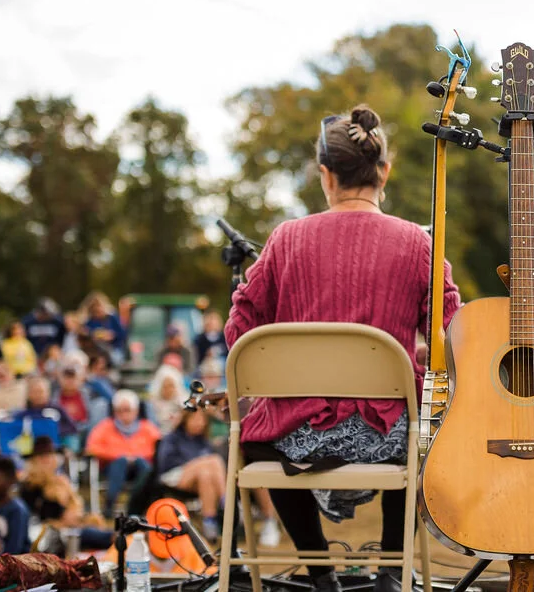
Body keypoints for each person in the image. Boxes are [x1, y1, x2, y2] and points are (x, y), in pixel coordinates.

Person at [225, 105, 462, 592]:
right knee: (423, 425)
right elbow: (451, 337)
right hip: (391, 434)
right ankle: (393, 572)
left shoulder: (285, 239)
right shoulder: (421, 245)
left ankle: (321, 575)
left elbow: (240, 329)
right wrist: (406, 358)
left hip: (296, 433)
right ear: (384, 172)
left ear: (325, 175)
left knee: (249, 434)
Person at [18, 436, 113, 551]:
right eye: (42, 456)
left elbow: (75, 505)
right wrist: (64, 517)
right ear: (34, 460)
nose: (47, 460)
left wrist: (75, 515)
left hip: (72, 525)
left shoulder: (61, 481)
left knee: (98, 530)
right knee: (100, 536)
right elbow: (38, 515)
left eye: (49, 455)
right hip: (51, 531)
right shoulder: (29, 485)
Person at [85, 389, 161, 517]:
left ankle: (143, 505)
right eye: (120, 410)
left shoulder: (148, 427)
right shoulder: (104, 426)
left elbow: (158, 449)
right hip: (112, 468)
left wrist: (136, 456)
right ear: (114, 411)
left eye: (127, 410)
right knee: (121, 462)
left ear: (136, 411)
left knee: (144, 466)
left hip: (140, 466)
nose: (124, 414)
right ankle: (110, 504)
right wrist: (120, 455)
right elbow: (91, 448)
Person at [155, 410, 227, 541]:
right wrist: (194, 463)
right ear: (186, 420)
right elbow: (165, 462)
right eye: (195, 419)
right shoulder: (172, 437)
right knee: (214, 460)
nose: (199, 423)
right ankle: (227, 502)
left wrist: (199, 465)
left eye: (202, 420)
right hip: (173, 475)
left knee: (205, 475)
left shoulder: (203, 440)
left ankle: (209, 521)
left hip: (197, 477)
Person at [81, 292, 127, 365]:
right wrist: (94, 336)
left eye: (99, 307)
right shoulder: (89, 322)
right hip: (97, 351)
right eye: (95, 309)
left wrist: (112, 336)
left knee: (117, 359)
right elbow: (86, 335)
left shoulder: (112, 318)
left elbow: (122, 334)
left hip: (114, 348)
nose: (98, 311)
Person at [148, 365, 190, 435]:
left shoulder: (184, 402)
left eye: (171, 386)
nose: (168, 390)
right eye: (165, 386)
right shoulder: (152, 403)